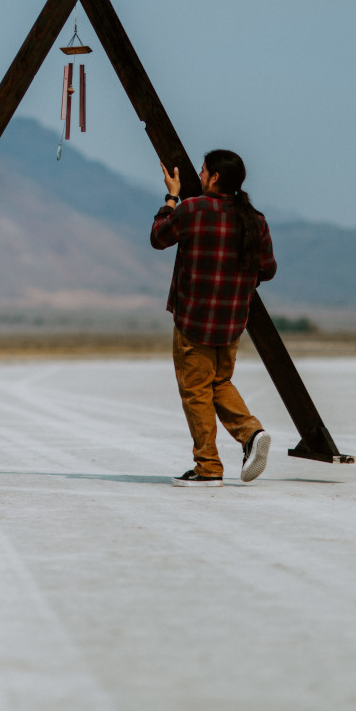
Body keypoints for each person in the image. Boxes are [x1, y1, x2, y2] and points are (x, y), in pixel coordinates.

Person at [151, 149, 277, 488]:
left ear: (215, 178)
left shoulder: (192, 210)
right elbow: (268, 268)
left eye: (204, 170)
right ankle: (251, 434)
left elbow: (158, 237)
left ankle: (208, 468)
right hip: (233, 321)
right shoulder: (255, 219)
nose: (201, 175)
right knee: (219, 382)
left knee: (196, 391)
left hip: (194, 319)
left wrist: (171, 197)